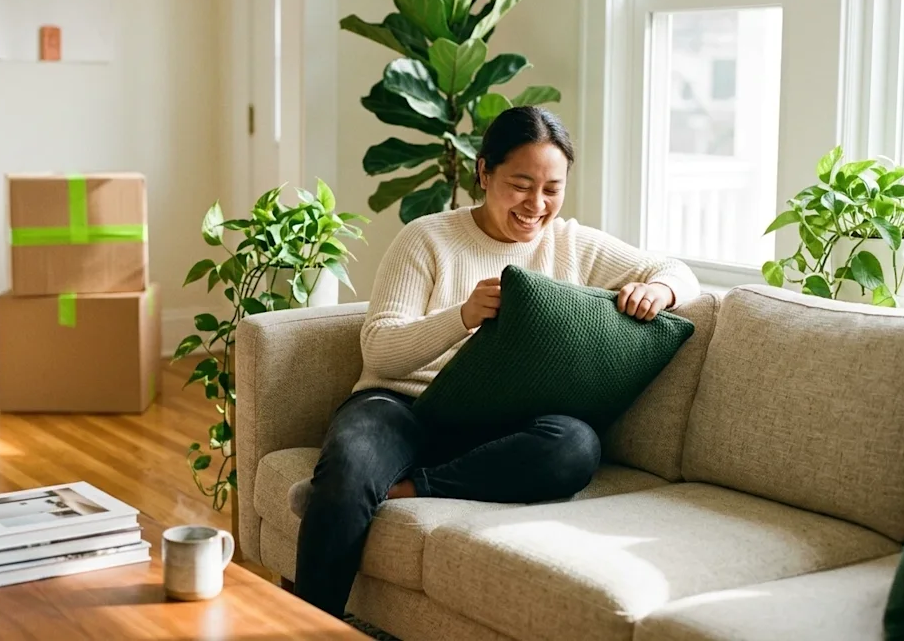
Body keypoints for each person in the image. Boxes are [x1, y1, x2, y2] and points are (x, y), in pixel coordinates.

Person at [292, 106, 701, 617]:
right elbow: (379, 349)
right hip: (402, 407)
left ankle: (405, 489)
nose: (537, 204)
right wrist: (461, 316)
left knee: (575, 445)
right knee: (351, 462)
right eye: (521, 184)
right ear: (484, 173)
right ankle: (308, 622)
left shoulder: (572, 243)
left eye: (552, 188)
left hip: (497, 424)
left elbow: (676, 269)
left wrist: (658, 289)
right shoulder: (427, 238)